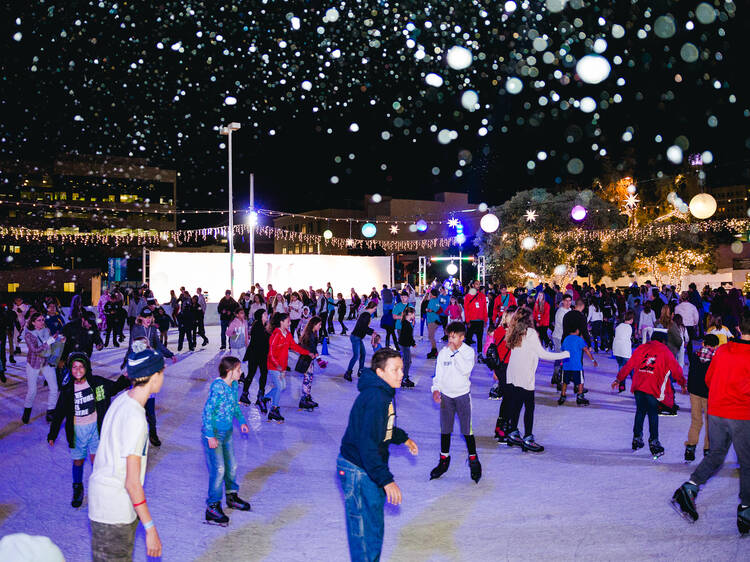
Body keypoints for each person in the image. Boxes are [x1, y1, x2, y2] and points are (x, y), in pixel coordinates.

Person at [337, 348, 419, 561]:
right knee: (363, 532)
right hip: (358, 469)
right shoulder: (376, 398)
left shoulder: (384, 393)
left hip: (367, 468)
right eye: (396, 370)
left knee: (373, 525)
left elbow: (384, 428)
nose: (401, 373)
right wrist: (387, 481)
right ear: (380, 372)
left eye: (402, 368)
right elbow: (368, 446)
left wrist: (403, 438)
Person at [671, 313, 750, 532]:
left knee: (716, 455)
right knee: (748, 464)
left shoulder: (723, 351)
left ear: (737, 328)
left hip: (717, 412)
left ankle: (690, 487)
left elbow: (709, 379)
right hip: (742, 415)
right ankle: (745, 509)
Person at [88, 348, 164, 561]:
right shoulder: (136, 419)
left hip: (105, 501)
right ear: (154, 376)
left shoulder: (123, 399)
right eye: (162, 372)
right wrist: (150, 527)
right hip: (114, 510)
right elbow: (132, 482)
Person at [47, 353, 130, 508]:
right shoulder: (68, 390)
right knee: (78, 461)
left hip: (95, 429)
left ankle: (100, 488)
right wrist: (52, 434)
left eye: (81, 366)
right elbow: (59, 413)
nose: (78, 370)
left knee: (96, 461)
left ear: (87, 367)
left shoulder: (97, 383)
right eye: (74, 367)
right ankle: (77, 487)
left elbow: (113, 388)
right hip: (77, 431)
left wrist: (125, 378)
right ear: (70, 369)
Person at [504, 307, 569, 452]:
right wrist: (564, 354)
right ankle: (528, 437)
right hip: (525, 375)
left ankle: (513, 432)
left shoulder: (513, 331)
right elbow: (542, 354)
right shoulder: (530, 333)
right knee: (529, 407)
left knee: (517, 404)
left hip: (513, 374)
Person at [612, 332, 686, 458]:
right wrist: (683, 383)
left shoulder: (641, 348)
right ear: (664, 341)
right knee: (653, 413)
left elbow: (629, 364)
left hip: (639, 386)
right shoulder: (665, 351)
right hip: (652, 387)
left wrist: (619, 379)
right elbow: (676, 369)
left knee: (640, 411)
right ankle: (654, 441)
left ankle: (637, 438)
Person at [201, 356, 251, 525]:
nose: (241, 372)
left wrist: (242, 421)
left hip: (227, 432)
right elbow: (207, 412)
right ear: (229, 372)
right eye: (238, 370)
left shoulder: (234, 385)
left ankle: (231, 496)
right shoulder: (218, 388)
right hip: (214, 433)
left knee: (232, 465)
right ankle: (212, 507)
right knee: (219, 469)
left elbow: (235, 406)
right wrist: (210, 435)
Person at [429, 322, 481, 482]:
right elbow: (438, 374)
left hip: (462, 396)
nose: (450, 340)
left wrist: (455, 352)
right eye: (449, 336)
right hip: (446, 396)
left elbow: (465, 370)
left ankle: (473, 460)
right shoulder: (444, 352)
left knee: (467, 430)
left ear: (462, 337)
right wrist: (435, 389)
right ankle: (444, 460)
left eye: (454, 337)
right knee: (445, 429)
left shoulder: (468, 352)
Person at [121, 308, 176, 447]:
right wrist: (126, 364)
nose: (148, 319)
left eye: (150, 316)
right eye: (145, 317)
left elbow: (158, 345)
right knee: (137, 405)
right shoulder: (136, 329)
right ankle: (134, 433)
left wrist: (169, 354)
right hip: (139, 370)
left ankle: (153, 433)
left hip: (150, 368)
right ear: (141, 317)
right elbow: (131, 348)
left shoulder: (152, 330)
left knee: (150, 408)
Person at [264, 312, 314, 423]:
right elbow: (271, 353)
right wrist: (277, 365)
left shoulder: (287, 334)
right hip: (273, 366)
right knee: (278, 387)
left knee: (281, 387)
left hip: (282, 367)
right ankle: (274, 410)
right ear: (281, 322)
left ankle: (264, 398)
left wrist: (307, 353)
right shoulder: (276, 335)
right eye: (288, 321)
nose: (290, 323)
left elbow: (295, 346)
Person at [683, 334, 719, 462]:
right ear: (716, 346)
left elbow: (691, 372)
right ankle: (707, 449)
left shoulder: (694, 355)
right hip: (709, 394)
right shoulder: (716, 358)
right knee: (710, 422)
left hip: (694, 392)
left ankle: (690, 448)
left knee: (696, 421)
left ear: (703, 343)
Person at [22, 312, 61, 424]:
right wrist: (49, 342)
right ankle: (27, 411)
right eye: (39, 320)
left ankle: (50, 412)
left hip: (46, 362)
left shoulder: (47, 330)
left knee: (54, 387)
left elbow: (51, 346)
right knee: (32, 390)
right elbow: (34, 350)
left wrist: (58, 341)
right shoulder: (29, 334)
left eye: (43, 319)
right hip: (33, 363)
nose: (42, 322)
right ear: (33, 323)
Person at [240, 309, 271, 411]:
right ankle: (248, 395)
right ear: (260, 316)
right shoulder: (258, 326)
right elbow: (262, 342)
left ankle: (257, 395)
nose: (267, 315)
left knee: (259, 374)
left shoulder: (262, 326)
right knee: (255, 374)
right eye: (265, 314)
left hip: (259, 354)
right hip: (257, 355)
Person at [558, 328, 597, 406]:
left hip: (566, 364)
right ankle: (580, 396)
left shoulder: (566, 339)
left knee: (565, 382)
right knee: (580, 382)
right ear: (577, 331)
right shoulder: (579, 339)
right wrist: (593, 360)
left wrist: (561, 362)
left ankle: (563, 395)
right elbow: (586, 350)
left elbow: (563, 350)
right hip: (576, 365)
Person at [344, 301, 377, 382]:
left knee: (363, 354)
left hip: (358, 337)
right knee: (356, 356)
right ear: (371, 308)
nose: (375, 310)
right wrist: (372, 332)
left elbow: (363, 327)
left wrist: (371, 332)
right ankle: (348, 373)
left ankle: (360, 371)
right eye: (375, 309)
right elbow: (363, 327)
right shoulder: (366, 315)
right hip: (356, 337)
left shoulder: (365, 314)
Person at [298, 316, 322, 410]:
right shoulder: (309, 335)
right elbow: (309, 348)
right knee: (307, 379)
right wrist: (318, 358)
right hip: (306, 360)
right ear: (314, 324)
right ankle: (303, 400)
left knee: (310, 378)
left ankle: (307, 397)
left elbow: (313, 348)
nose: (320, 327)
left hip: (310, 361)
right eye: (319, 325)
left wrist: (318, 357)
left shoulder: (312, 333)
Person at [464, 280, 488, 362]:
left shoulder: (482, 296)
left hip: (480, 320)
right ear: (473, 285)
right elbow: (466, 309)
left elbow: (485, 308)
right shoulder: (468, 296)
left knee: (480, 338)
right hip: (472, 320)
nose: (478, 285)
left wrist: (485, 319)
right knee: (468, 338)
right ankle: (464, 354)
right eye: (476, 284)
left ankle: (480, 354)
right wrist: (467, 320)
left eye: (479, 284)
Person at [550, 294, 572, 385]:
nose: (568, 303)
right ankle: (556, 376)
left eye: (569, 301)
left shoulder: (570, 311)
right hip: (559, 337)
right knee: (559, 357)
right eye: (566, 301)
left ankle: (560, 375)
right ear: (563, 301)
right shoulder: (560, 312)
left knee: (565, 357)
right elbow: (563, 326)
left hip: (567, 337)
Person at [612, 311, 635, 393]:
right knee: (631, 369)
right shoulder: (629, 327)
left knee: (621, 367)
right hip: (625, 351)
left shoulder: (619, 326)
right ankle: (636, 387)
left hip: (616, 350)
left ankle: (621, 386)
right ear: (631, 319)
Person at [397, 307, 416, 388]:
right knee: (407, 362)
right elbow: (408, 336)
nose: (414, 315)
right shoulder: (406, 324)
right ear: (409, 314)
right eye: (413, 313)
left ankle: (404, 376)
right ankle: (404, 379)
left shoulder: (406, 322)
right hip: (404, 345)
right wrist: (413, 343)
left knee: (407, 361)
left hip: (404, 344)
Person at [424, 289, 441, 359]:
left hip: (432, 320)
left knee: (431, 336)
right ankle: (434, 350)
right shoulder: (437, 300)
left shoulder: (432, 300)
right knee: (431, 336)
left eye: (430, 293)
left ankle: (434, 351)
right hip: (436, 319)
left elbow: (430, 309)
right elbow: (437, 309)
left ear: (432, 294)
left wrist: (427, 310)